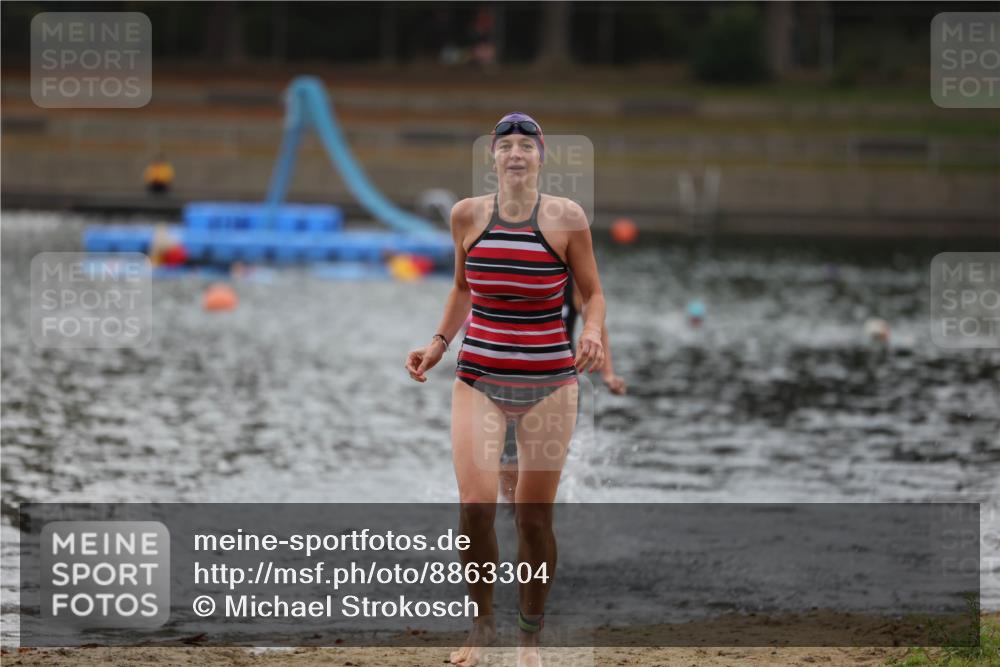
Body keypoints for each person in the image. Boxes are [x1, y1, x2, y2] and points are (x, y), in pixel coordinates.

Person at [405, 112, 606, 667]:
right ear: (492, 157)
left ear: (541, 156)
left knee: (533, 519)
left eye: (526, 145)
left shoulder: (567, 218)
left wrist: (590, 330)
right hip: (478, 379)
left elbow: (592, 293)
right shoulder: (466, 215)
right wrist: (437, 345)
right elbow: (461, 290)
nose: (515, 153)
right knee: (475, 508)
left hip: (549, 383)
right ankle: (482, 624)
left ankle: (528, 637)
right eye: (505, 145)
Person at [498, 271, 626, 504]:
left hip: (560, 385)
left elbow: (596, 325)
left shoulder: (571, 283)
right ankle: (511, 515)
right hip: (511, 381)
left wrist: (608, 374)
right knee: (508, 466)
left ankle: (538, 515)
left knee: (545, 467)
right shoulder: (511, 274)